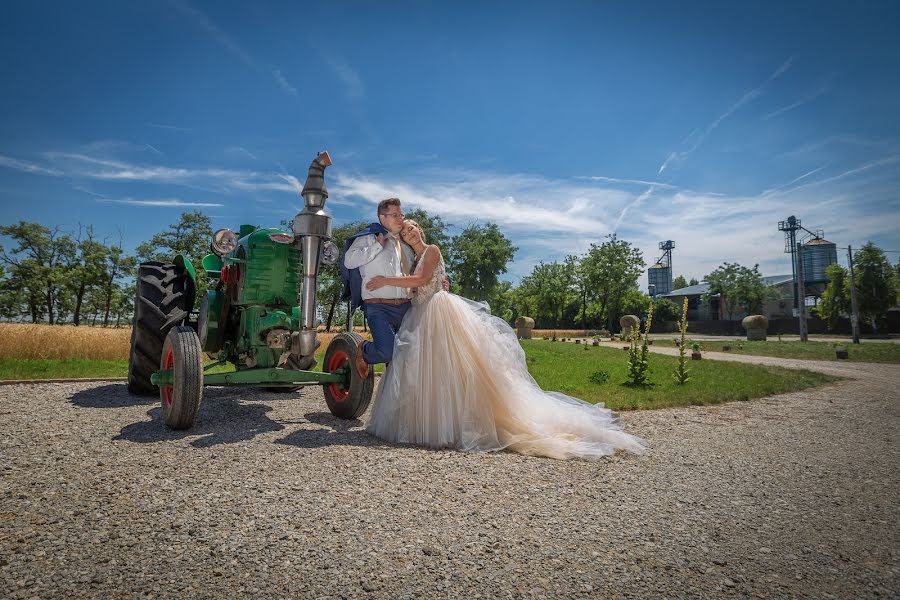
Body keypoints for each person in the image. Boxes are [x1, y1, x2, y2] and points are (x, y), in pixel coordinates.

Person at [364, 219, 646, 461]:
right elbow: (418, 286)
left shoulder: (432, 250)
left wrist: (385, 281)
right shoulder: (412, 259)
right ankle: (433, 424)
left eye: (412, 228)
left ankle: (459, 425)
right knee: (429, 371)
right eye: (405, 233)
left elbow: (420, 280)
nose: (410, 233)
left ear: (420, 230)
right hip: (422, 314)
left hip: (440, 312)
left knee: (455, 367)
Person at [343, 198, 414, 379]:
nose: (400, 219)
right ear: (382, 217)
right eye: (395, 215)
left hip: (406, 307)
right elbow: (349, 261)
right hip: (378, 306)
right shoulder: (369, 237)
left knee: (406, 360)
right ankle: (364, 350)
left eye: (401, 214)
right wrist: (376, 246)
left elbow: (416, 273)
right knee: (386, 351)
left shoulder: (405, 246)